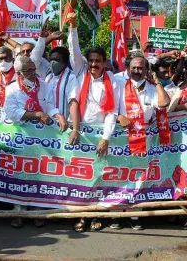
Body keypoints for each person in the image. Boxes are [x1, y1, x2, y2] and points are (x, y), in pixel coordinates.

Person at [68, 13, 120, 232]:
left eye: (98, 61)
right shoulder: (80, 74)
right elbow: (74, 51)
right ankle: (81, 217)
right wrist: (73, 27)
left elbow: (112, 113)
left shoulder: (113, 82)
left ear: (104, 63)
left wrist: (105, 138)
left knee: (100, 176)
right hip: (81, 133)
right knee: (81, 177)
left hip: (100, 135)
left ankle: (97, 215)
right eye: (91, 61)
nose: (93, 65)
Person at [4, 56, 68, 228]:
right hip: (22, 138)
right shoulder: (11, 89)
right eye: (29, 71)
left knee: (41, 174)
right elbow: (11, 112)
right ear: (19, 73)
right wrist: (37, 115)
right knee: (21, 174)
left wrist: (58, 115)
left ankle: (38, 212)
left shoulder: (44, 86)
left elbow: (50, 106)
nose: (33, 73)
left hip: (43, 140)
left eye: (34, 69)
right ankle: (18, 212)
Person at [112, 53, 170, 230]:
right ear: (128, 69)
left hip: (144, 141)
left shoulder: (152, 89)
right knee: (118, 178)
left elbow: (164, 103)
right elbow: (106, 107)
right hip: (120, 141)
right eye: (134, 67)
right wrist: (119, 116)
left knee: (139, 179)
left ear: (146, 70)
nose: (137, 71)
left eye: (141, 68)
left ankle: (134, 216)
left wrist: (157, 82)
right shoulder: (118, 84)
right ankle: (116, 214)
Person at [44, 46, 80, 146]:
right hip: (48, 124)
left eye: (57, 60)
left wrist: (76, 129)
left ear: (64, 62)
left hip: (64, 125)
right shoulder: (48, 77)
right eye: (51, 59)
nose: (53, 62)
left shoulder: (70, 77)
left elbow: (73, 102)